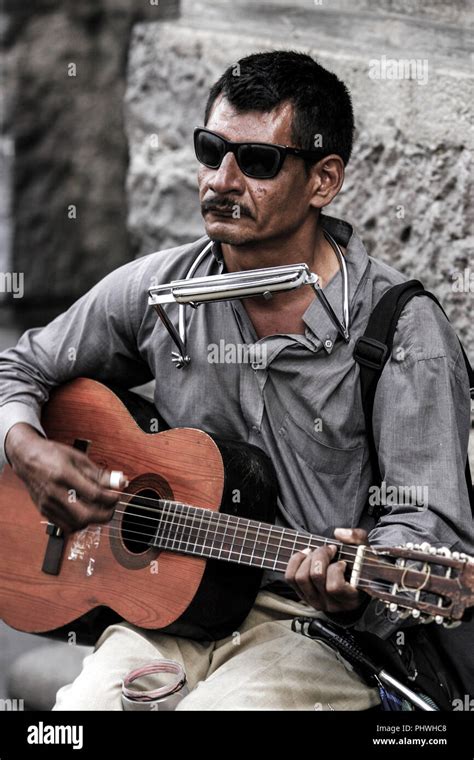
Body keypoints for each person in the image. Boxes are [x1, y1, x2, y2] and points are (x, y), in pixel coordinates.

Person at [0, 51, 472, 711]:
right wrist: (25, 444)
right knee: (86, 712)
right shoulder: (164, 288)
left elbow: (430, 533)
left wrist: (357, 579)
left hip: (315, 632)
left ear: (323, 180)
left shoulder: (400, 330)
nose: (222, 180)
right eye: (210, 150)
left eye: (256, 162)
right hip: (169, 611)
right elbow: (19, 365)